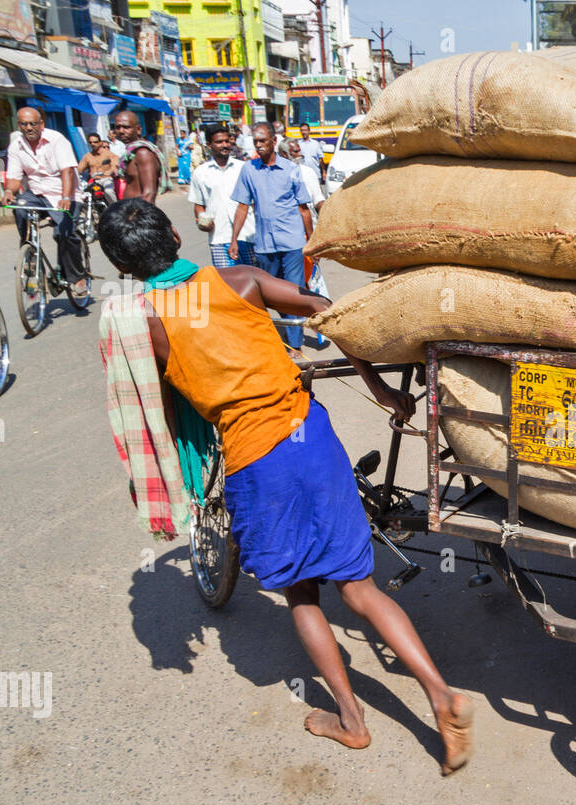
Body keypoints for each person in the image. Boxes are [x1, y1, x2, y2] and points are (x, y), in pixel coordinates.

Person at [95, 198, 474, 769]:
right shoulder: (241, 280)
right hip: (310, 436)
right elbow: (326, 310)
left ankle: (350, 720)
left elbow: (161, 409)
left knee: (300, 592)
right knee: (358, 586)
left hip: (254, 459)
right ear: (175, 234)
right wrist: (378, 387)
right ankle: (440, 694)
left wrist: (182, 460)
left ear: (123, 266)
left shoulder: (144, 323)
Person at [229, 121, 314, 349]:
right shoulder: (249, 170)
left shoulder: (291, 170)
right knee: (268, 294)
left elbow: (303, 209)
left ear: (273, 142)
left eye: (263, 141)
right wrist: (234, 239)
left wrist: (312, 242)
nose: (259, 145)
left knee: (294, 292)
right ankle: (280, 336)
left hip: (292, 242)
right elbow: (242, 206)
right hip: (265, 244)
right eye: (256, 141)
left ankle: (295, 345)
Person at [3, 106, 88, 297]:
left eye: (33, 123)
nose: (28, 128)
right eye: (24, 124)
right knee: (20, 208)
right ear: (19, 125)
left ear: (41, 124)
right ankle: (29, 251)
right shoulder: (16, 145)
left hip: (65, 193)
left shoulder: (57, 140)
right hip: (38, 193)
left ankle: (77, 277)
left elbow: (67, 171)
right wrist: (9, 190)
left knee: (64, 234)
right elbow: (15, 176)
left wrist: (66, 197)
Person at [190, 125, 257, 268]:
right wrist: (202, 221)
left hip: (248, 235)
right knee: (226, 284)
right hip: (219, 237)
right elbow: (198, 204)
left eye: (227, 141)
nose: (225, 145)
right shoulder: (201, 173)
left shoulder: (243, 168)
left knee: (255, 281)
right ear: (208, 146)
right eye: (219, 142)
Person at [111, 110, 165, 203]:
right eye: (118, 127)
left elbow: (149, 193)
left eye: (126, 127)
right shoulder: (130, 153)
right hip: (130, 209)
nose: (121, 131)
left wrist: (139, 216)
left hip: (138, 211)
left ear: (139, 129)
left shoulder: (143, 153)